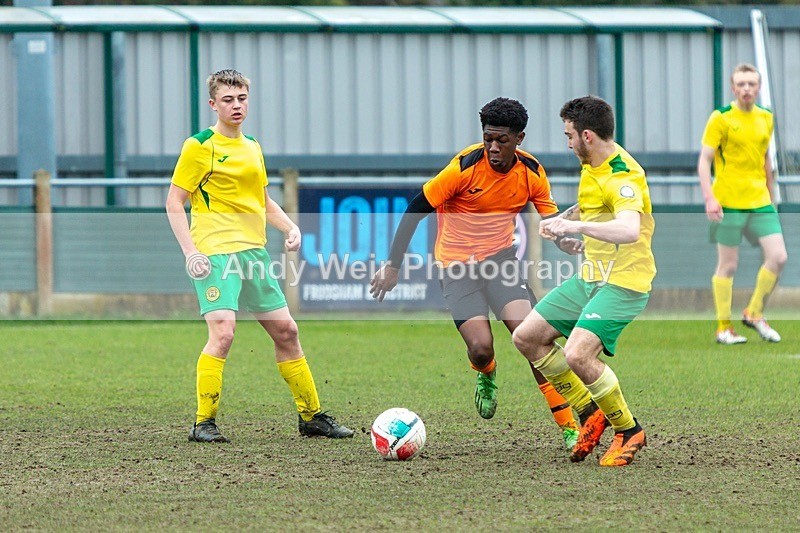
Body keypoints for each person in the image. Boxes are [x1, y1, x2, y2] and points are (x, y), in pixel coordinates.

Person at [369, 97, 584, 449]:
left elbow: (550, 225)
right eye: (488, 139)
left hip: (501, 263)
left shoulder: (531, 172)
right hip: (456, 267)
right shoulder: (463, 169)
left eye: (502, 140)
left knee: (534, 339)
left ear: (520, 139)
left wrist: (565, 241)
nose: (493, 147)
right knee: (482, 348)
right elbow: (414, 210)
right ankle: (485, 372)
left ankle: (570, 426)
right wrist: (392, 266)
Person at [166, 69, 353, 443]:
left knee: (287, 331)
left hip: (253, 253)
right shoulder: (200, 146)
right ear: (213, 104)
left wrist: (290, 227)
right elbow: (174, 201)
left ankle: (311, 416)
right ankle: (204, 422)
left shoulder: (252, 145)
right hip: (216, 254)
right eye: (228, 100)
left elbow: (262, 201)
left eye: (242, 99)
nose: (236, 106)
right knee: (223, 333)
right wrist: (190, 253)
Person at [512, 96, 655, 467]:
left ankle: (627, 430)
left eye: (569, 135)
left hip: (624, 283)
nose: (568, 143)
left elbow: (627, 229)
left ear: (587, 135)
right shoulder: (592, 164)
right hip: (591, 277)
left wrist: (572, 224)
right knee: (526, 337)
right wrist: (568, 226)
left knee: (577, 354)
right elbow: (596, 210)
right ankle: (589, 410)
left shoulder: (623, 175)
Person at [698, 63, 787, 345]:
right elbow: (704, 160)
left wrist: (771, 195)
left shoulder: (766, 117)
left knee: (778, 256)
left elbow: (765, 160)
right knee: (729, 264)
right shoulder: (721, 118)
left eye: (751, 84)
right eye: (741, 84)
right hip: (729, 201)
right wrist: (710, 198)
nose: (747, 89)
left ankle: (754, 312)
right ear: (733, 88)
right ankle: (724, 327)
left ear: (758, 87)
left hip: (760, 201)